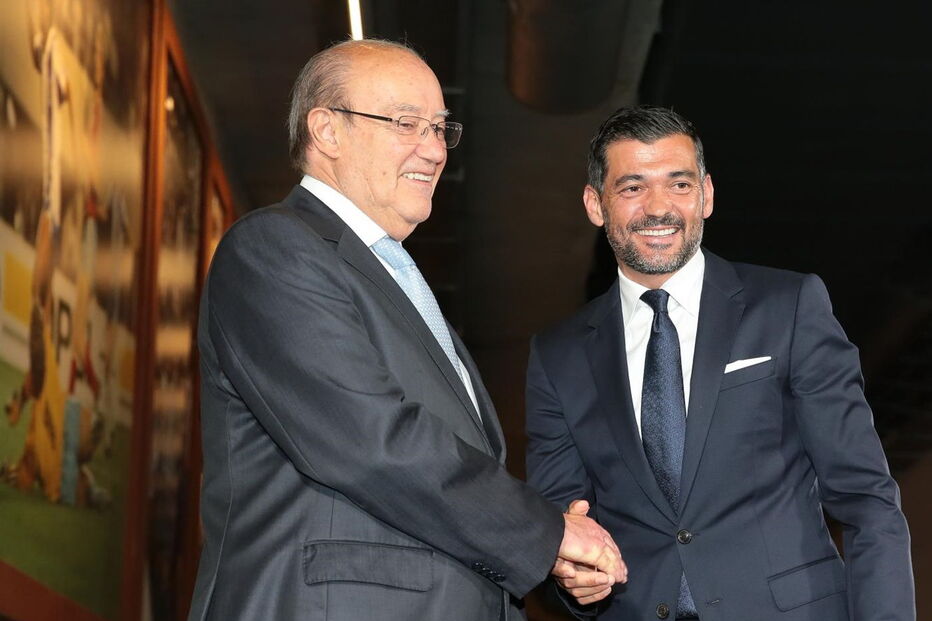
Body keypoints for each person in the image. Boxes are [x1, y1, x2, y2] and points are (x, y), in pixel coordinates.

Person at [188, 39, 625, 621]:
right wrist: (547, 533)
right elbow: (370, 439)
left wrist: (551, 557)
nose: (435, 149)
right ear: (327, 131)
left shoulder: (392, 277)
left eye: (440, 128)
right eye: (405, 123)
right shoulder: (274, 248)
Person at [525, 106, 914, 620]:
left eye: (679, 184)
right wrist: (570, 578)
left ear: (706, 195)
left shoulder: (788, 307)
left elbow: (866, 498)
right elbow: (556, 529)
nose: (659, 207)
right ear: (595, 204)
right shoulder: (558, 355)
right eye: (633, 187)